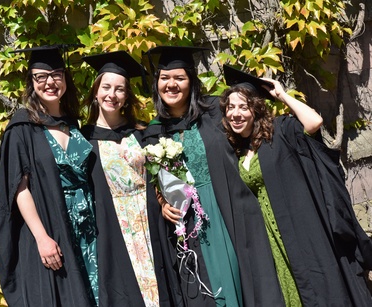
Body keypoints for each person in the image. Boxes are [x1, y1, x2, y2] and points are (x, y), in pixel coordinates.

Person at [219, 64, 372, 306]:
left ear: (256, 109)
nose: (235, 113)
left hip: (300, 232)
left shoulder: (281, 131)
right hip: (267, 239)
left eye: (243, 107)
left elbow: (313, 122)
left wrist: (282, 95)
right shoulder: (235, 150)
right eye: (230, 107)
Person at [143, 46, 254, 307]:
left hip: (227, 211)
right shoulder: (153, 132)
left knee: (238, 282)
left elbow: (254, 135)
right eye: (164, 78)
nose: (171, 85)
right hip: (188, 224)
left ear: (191, 80)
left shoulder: (217, 111)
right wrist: (163, 203)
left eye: (179, 78)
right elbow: (155, 181)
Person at [0, 45, 98, 306]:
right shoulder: (21, 128)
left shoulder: (72, 124)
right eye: (41, 76)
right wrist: (42, 238)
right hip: (52, 227)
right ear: (31, 82)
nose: (50, 82)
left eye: (56, 74)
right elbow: (20, 189)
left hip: (88, 230)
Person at [81, 50, 181, 307]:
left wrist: (164, 200)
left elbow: (161, 178)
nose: (111, 95)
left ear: (127, 96)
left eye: (120, 89)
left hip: (151, 223)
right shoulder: (83, 139)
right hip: (112, 227)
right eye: (106, 87)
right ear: (95, 91)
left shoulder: (143, 133)